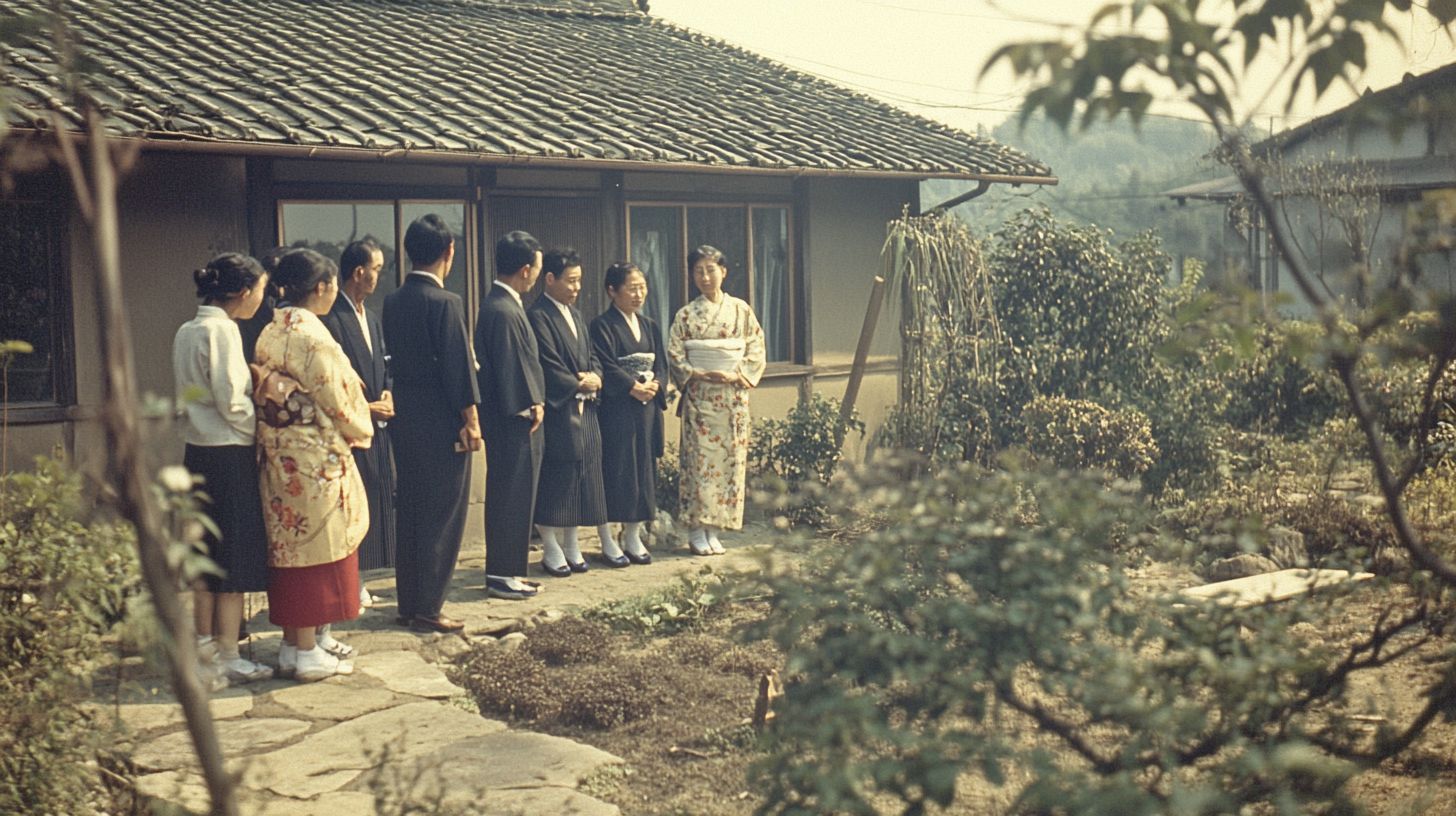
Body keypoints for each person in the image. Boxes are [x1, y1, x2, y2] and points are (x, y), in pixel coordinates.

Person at [255, 249, 373, 682]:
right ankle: (306, 651)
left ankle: (296, 643)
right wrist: (362, 423)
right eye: (333, 285)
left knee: (289, 549)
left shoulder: (270, 331)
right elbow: (339, 400)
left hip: (278, 454)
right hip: (315, 458)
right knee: (318, 551)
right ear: (321, 288)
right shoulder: (314, 337)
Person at [172, 253, 275, 688]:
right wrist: (261, 430)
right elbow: (232, 401)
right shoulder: (224, 330)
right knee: (233, 558)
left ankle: (203, 647)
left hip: (196, 451)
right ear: (243, 292)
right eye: (261, 291)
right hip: (230, 454)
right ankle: (230, 652)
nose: (262, 299)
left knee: (203, 557)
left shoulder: (186, 329)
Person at [382, 215, 481, 633]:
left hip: (407, 418)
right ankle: (429, 607)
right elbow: (458, 368)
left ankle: (410, 603)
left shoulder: (392, 300)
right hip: (443, 421)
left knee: (413, 511)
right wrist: (471, 421)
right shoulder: (446, 303)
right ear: (450, 252)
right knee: (443, 514)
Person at [667, 245, 767, 555]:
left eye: (711, 270)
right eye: (698, 271)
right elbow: (675, 353)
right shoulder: (685, 315)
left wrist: (738, 374)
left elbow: (755, 347)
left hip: (733, 397)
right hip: (702, 397)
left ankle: (715, 529)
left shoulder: (741, 310)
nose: (705, 276)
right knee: (701, 464)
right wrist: (696, 372)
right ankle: (697, 530)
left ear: (723, 271)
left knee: (728, 465)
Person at [320, 238, 396, 612]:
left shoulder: (372, 316)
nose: (378, 277)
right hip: (351, 429)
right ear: (358, 272)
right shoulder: (332, 319)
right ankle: (353, 582)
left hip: (377, 425)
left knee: (377, 498)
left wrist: (387, 394)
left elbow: (385, 366)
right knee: (352, 505)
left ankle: (364, 578)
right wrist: (364, 406)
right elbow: (333, 382)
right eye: (376, 269)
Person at [527, 248, 610, 575]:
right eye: (570, 281)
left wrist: (596, 377)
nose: (576, 288)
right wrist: (577, 384)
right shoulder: (538, 316)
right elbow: (547, 363)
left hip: (585, 409)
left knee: (583, 476)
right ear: (549, 279)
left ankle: (572, 544)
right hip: (559, 410)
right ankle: (550, 546)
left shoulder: (576, 315)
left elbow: (592, 356)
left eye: (579, 281)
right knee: (557, 478)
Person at [474, 230, 546, 600]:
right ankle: (502, 574)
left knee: (518, 495)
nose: (536, 274)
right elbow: (508, 366)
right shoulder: (501, 308)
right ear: (525, 269)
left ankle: (511, 570)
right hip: (511, 418)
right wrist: (528, 404)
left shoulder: (505, 304)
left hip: (517, 417)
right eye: (536, 268)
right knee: (509, 494)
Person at [590, 262, 667, 564]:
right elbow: (606, 364)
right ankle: (607, 538)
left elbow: (661, 363)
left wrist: (657, 383)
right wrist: (632, 386)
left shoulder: (649, 325)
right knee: (617, 470)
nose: (639, 294)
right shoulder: (602, 326)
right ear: (612, 290)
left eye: (642, 287)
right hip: (619, 409)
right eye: (631, 288)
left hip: (646, 408)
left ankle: (633, 535)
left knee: (643, 470)